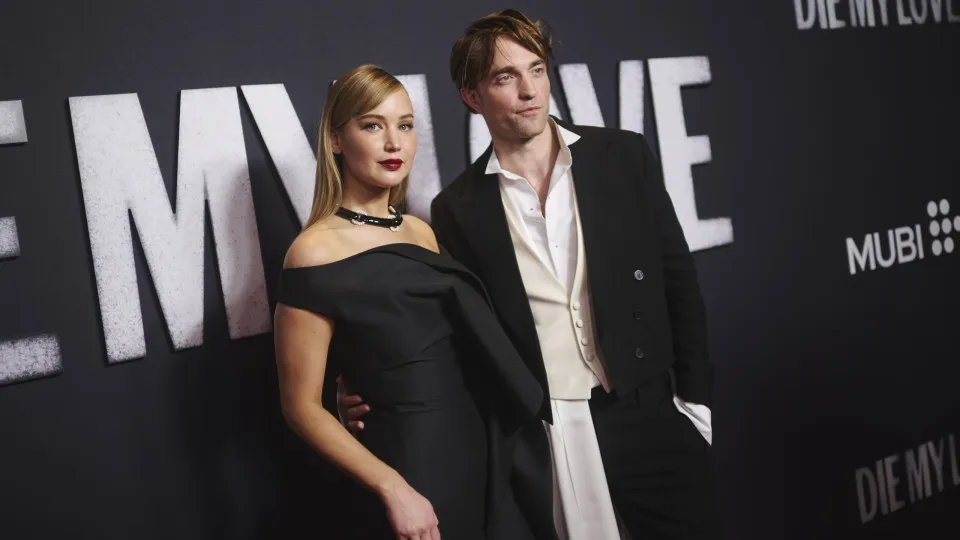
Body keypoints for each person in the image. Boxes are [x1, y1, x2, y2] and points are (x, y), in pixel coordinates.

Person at [343, 10, 717, 539]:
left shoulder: (621, 155)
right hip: (551, 430)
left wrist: (694, 402)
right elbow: (461, 338)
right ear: (472, 96)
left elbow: (677, 276)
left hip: (649, 410)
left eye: (536, 69)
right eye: (505, 77)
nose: (529, 90)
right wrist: (366, 390)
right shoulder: (458, 207)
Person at [273, 64, 552, 540]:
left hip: (482, 448)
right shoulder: (313, 251)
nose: (393, 143)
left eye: (404, 125)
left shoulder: (420, 230)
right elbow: (300, 406)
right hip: (411, 465)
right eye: (372, 126)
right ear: (336, 140)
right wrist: (393, 489)